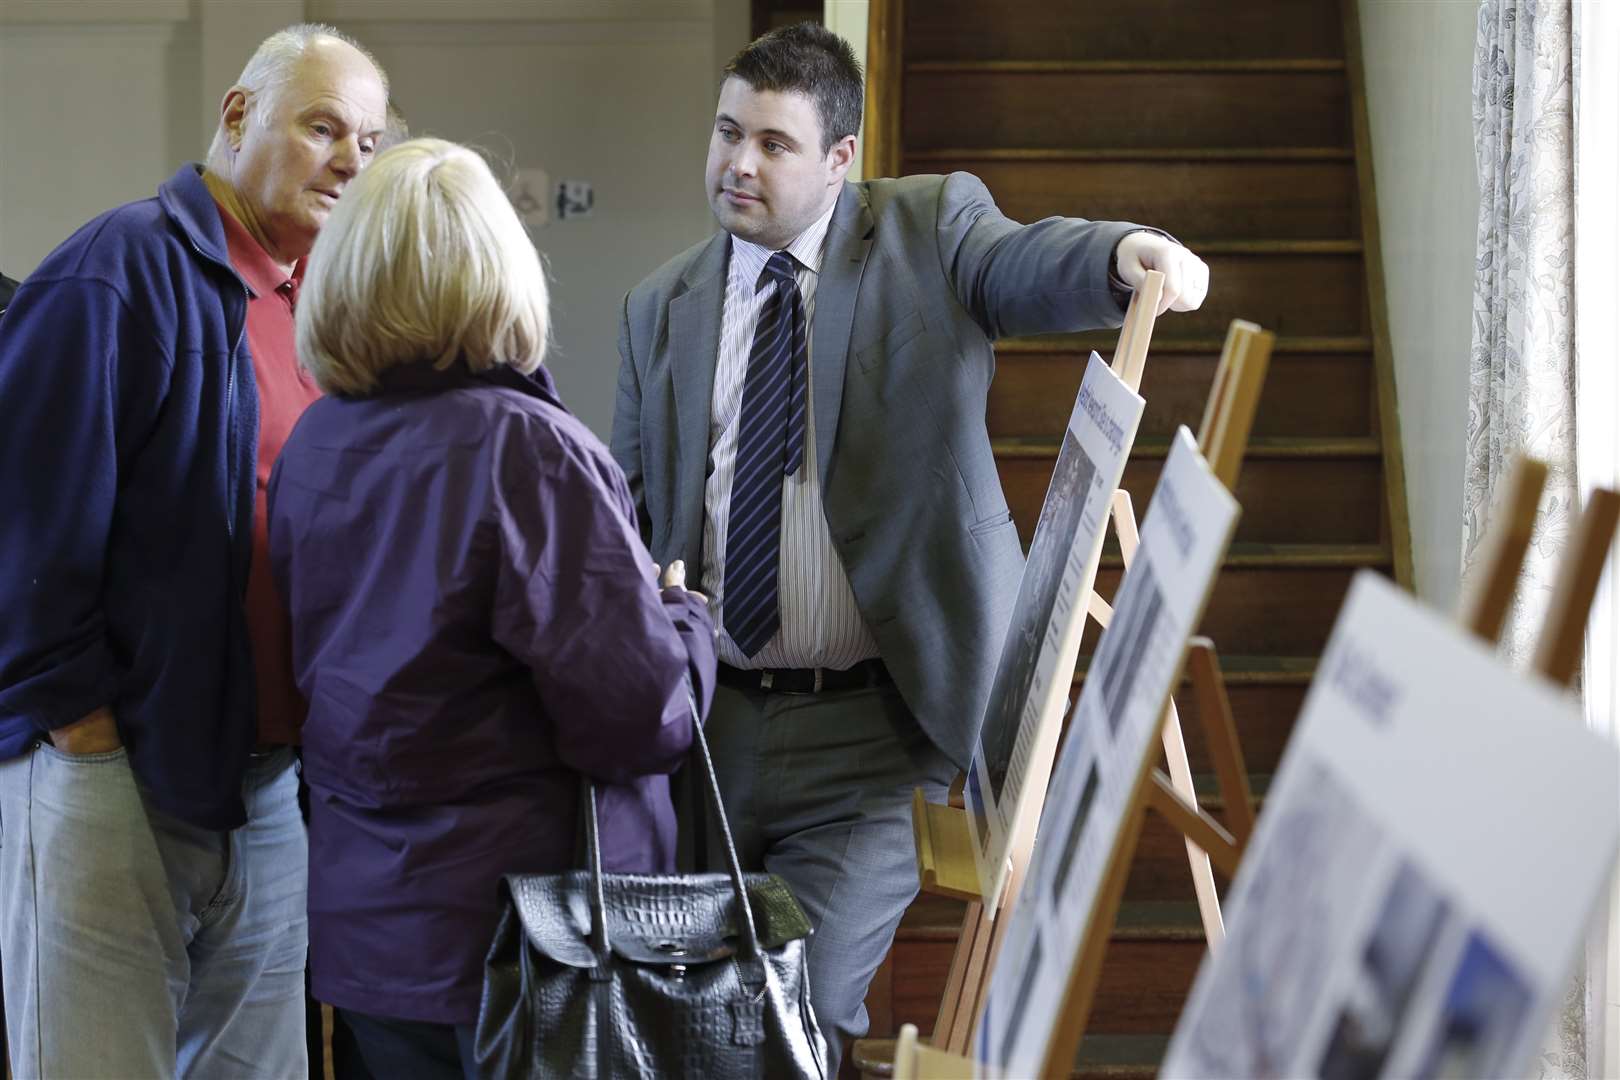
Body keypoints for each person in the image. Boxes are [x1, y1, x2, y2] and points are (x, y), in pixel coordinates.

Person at [610, 22, 1209, 1070]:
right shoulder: (658, 307)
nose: (738, 164)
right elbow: (629, 508)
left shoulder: (926, 229)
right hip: (707, 736)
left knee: (800, 1018)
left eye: (775, 144)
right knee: (696, 1032)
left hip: (872, 734)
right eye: (727, 133)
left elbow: (1021, 264)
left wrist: (1121, 258)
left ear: (841, 159)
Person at [268, 137, 717, 1079]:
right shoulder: (528, 452)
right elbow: (640, 720)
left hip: (368, 936)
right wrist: (685, 621)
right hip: (526, 945)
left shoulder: (316, 442)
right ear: (497, 271)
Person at [0, 24, 387, 1077]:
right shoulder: (114, 271)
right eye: (323, 128)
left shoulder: (322, 309)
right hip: (114, 780)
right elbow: (22, 527)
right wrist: (83, 733)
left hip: (265, 792)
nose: (352, 160)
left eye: (369, 139)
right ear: (236, 115)